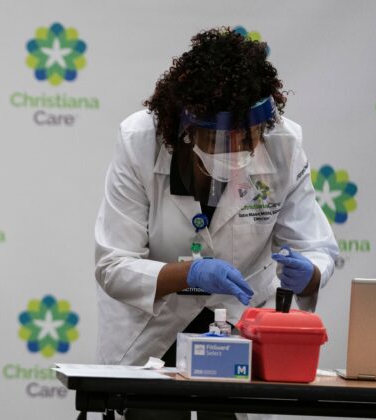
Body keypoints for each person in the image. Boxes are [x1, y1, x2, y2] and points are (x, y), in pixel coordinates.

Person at [94, 28, 338, 420]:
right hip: (154, 330)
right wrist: (190, 274)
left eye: (249, 137)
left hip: (240, 327)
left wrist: (308, 273)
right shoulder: (140, 141)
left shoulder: (283, 144)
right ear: (186, 128)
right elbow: (113, 266)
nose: (238, 152)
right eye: (220, 139)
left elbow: (316, 248)